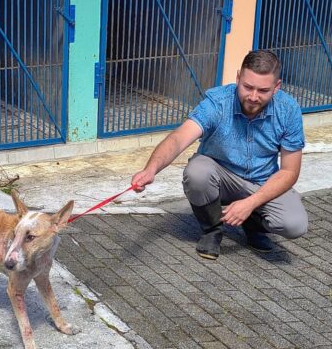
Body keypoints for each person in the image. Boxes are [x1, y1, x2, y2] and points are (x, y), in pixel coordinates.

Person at [131, 50, 308, 260]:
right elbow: (179, 138)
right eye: (247, 87)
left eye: (263, 90)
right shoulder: (217, 102)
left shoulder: (289, 111)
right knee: (197, 172)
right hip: (221, 176)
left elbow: (290, 171)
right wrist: (151, 169)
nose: (253, 96)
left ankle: (253, 224)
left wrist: (251, 203)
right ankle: (212, 230)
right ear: (238, 78)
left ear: (276, 87)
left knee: (294, 225)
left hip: (262, 181)